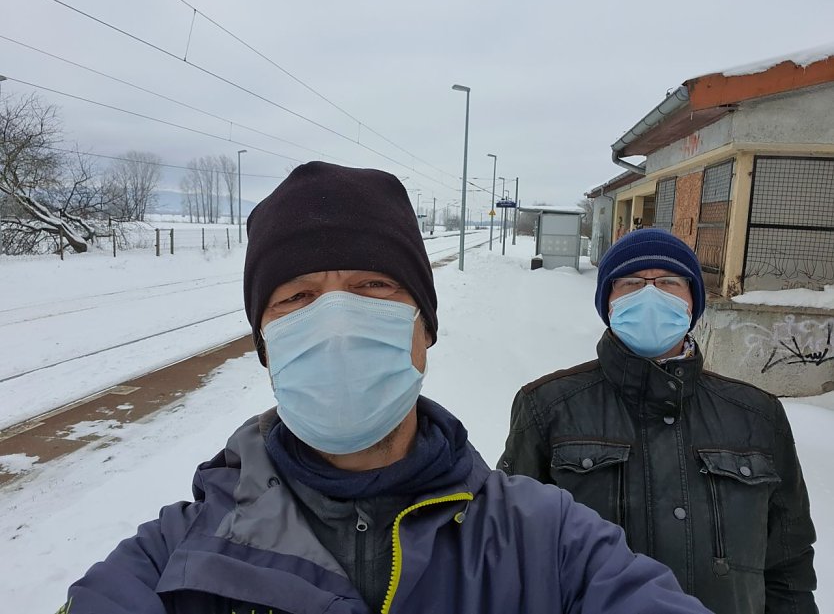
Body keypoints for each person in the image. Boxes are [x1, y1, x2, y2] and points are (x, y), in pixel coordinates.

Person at [60, 163, 711, 614]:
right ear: (265, 346)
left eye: (373, 287)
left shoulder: (547, 541)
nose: (337, 321)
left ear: (425, 328)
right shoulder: (174, 562)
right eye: (298, 297)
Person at [497, 228, 818, 614]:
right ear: (608, 303)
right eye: (631, 283)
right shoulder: (547, 407)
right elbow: (510, 551)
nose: (650, 295)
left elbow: (788, 565)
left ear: (692, 301)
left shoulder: (757, 414)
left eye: (668, 282)